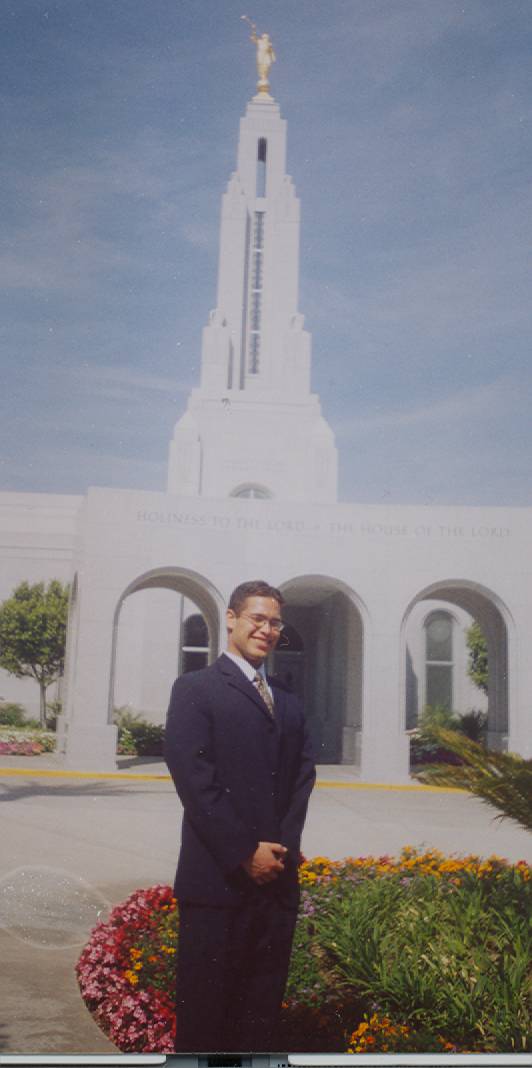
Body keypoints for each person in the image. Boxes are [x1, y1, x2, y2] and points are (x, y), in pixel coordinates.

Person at [164, 579, 315, 1053]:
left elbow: (301, 778)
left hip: (274, 884)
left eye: (275, 622)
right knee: (206, 1023)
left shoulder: (288, 700)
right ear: (231, 619)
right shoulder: (196, 688)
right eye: (257, 619)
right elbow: (195, 780)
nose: (267, 630)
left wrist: (279, 852)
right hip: (217, 884)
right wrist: (243, 852)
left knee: (258, 1021)